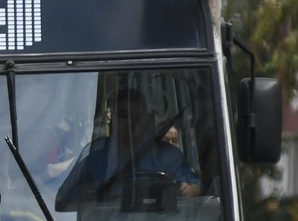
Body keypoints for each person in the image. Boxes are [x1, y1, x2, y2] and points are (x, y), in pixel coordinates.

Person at [56, 88, 200, 210]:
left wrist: (189, 190)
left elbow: (198, 189)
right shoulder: (95, 154)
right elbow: (62, 200)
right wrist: (84, 194)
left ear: (145, 120)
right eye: (124, 115)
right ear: (113, 119)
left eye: (137, 116)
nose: (131, 122)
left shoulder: (169, 156)